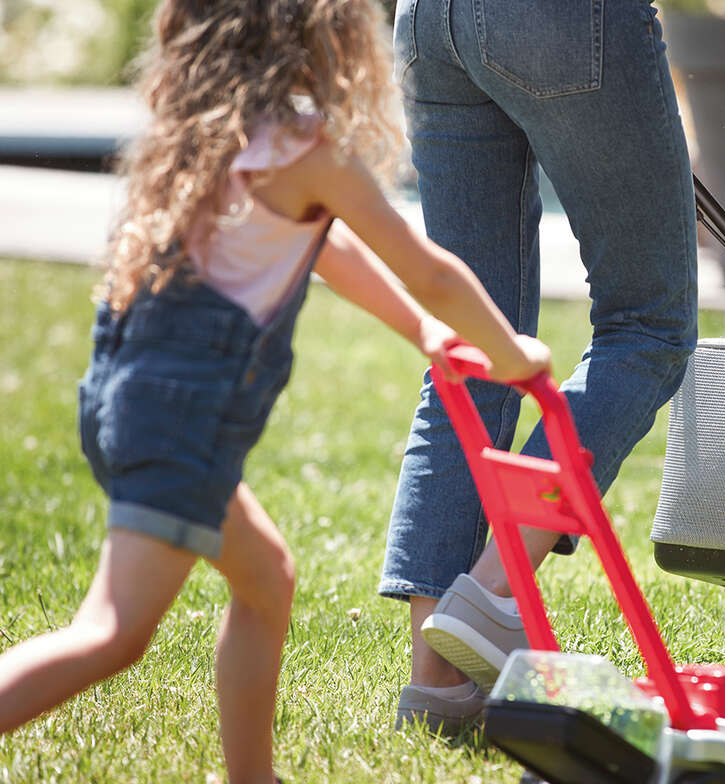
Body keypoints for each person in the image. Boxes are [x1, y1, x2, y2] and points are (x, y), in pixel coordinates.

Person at [0, 1, 549, 781]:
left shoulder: (210, 135)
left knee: (266, 582)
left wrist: (425, 335)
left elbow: (328, 250)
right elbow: (426, 267)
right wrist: (510, 351)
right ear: (316, 35)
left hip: (128, 399)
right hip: (179, 426)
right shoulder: (302, 147)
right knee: (113, 634)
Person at [378, 0, 699, 734]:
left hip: (429, 22)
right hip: (559, 22)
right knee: (647, 325)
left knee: (471, 347)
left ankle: (438, 681)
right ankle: (492, 597)